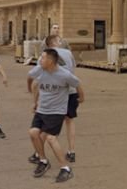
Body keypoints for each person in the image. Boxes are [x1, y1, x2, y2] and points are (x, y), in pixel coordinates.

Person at [27, 48, 84, 183]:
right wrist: (33, 99)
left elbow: (78, 84)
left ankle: (66, 168)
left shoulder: (64, 75)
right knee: (33, 133)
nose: (40, 60)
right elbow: (30, 78)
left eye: (43, 58)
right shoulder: (40, 69)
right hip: (42, 109)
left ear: (51, 61)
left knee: (51, 138)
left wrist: (81, 98)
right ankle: (43, 160)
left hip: (56, 111)